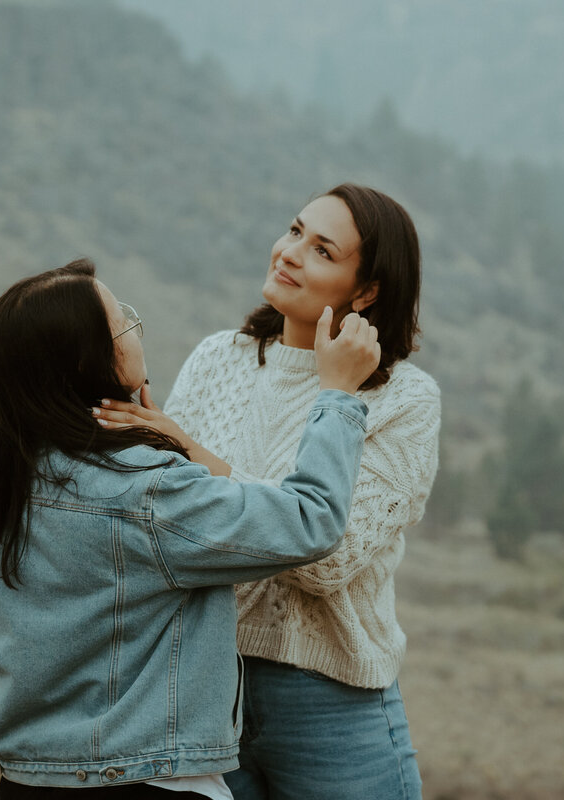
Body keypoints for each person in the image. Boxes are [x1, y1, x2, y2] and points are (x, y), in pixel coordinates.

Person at [0, 258, 383, 799]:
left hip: (28, 778)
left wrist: (173, 450)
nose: (137, 330)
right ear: (92, 356)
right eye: (124, 322)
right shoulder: (145, 493)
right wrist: (339, 394)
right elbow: (310, 520)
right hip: (145, 778)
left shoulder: (7, 483)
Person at [96, 184, 439, 799]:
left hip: (331, 706)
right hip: (201, 693)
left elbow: (327, 559)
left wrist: (190, 451)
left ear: (367, 291)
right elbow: (170, 522)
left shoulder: (404, 400)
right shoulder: (217, 359)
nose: (288, 252)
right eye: (294, 230)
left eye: (323, 251)